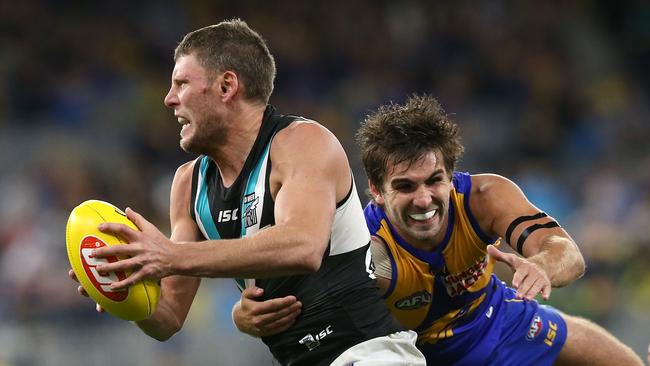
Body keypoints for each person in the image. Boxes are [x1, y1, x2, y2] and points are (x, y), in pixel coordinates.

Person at [68, 20, 426, 366]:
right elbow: (169, 317)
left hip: (367, 353)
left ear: (226, 87)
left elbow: (303, 245)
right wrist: (124, 293)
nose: (169, 99)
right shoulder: (188, 185)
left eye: (181, 83)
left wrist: (170, 255)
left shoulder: (302, 143)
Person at [234, 94, 644, 365]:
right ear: (375, 190)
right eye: (405, 186)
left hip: (498, 321)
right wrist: (243, 315)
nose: (425, 199)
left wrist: (540, 266)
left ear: (451, 176)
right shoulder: (361, 245)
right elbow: (292, 302)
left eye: (434, 181)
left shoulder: (484, 197)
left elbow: (567, 253)